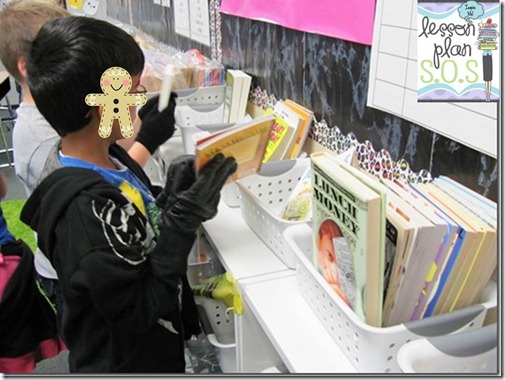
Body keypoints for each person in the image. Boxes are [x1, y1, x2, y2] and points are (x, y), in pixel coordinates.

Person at [21, 15, 237, 373]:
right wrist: (181, 223)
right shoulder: (83, 212)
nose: (140, 99)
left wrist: (167, 199)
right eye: (133, 91)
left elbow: (134, 228)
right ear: (97, 109)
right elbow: (139, 308)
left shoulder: (106, 158)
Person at [0, 0, 177, 325]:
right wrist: (147, 141)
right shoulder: (45, 146)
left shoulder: (78, 131)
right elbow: (130, 311)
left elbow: (113, 172)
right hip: (87, 288)